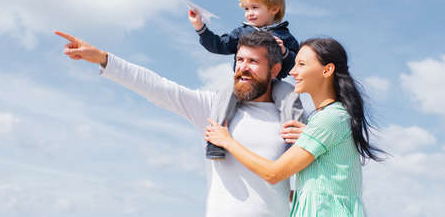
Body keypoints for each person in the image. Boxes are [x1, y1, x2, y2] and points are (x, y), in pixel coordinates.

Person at [55, 30, 306, 217]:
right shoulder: (214, 109)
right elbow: (158, 87)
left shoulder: (290, 120)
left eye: (253, 62)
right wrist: (103, 58)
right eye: (240, 60)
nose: (243, 68)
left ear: (274, 70)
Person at [205, 37, 386, 217]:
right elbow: (319, 187)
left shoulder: (330, 119)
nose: (292, 71)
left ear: (327, 70)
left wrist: (227, 141)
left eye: (301, 64)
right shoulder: (326, 119)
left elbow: (273, 174)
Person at [188, 0, 302, 158]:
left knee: (290, 96)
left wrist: (285, 54)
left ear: (274, 8)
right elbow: (220, 45)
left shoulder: (285, 37)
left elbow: (295, 66)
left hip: (273, 83)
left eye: (255, 8)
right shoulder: (242, 32)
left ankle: (294, 143)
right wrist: (200, 27)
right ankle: (215, 143)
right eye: (247, 8)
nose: (249, 13)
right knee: (225, 96)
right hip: (244, 82)